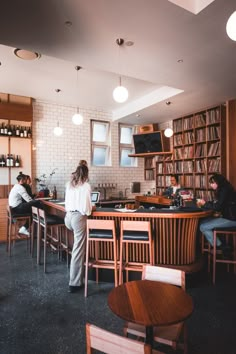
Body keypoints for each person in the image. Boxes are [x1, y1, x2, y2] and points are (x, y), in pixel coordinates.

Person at [64, 163, 93, 293]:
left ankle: (75, 276)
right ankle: (74, 283)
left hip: (68, 218)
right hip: (78, 218)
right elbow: (87, 209)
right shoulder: (86, 186)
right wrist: (92, 209)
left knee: (76, 247)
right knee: (78, 250)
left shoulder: (69, 184)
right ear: (86, 174)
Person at [199, 173, 236, 255]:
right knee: (202, 221)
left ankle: (222, 246)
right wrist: (207, 203)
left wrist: (204, 204)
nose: (211, 185)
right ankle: (221, 244)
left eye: (212, 183)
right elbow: (218, 203)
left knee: (203, 226)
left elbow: (218, 207)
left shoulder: (224, 190)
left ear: (218, 182)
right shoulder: (225, 188)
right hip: (229, 217)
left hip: (231, 219)